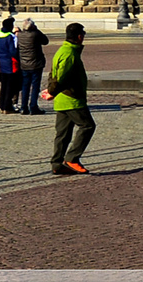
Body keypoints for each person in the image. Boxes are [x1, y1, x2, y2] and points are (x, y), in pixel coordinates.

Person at [43, 23, 92, 175]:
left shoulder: (62, 50)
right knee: (87, 126)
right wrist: (52, 91)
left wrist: (52, 89)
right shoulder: (69, 53)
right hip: (71, 98)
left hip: (62, 99)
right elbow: (62, 76)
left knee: (63, 134)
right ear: (79, 37)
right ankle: (72, 158)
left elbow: (53, 73)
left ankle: (57, 163)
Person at [16, 18, 49, 116]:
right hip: (36, 64)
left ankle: (23, 107)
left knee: (25, 86)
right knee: (35, 86)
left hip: (24, 64)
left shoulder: (20, 35)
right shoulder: (35, 34)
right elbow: (45, 41)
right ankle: (33, 107)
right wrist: (37, 29)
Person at [0, 17, 20, 114]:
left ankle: (2, 105)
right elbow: (13, 51)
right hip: (11, 63)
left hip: (2, 62)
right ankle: (7, 106)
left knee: (4, 86)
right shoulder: (10, 36)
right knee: (10, 86)